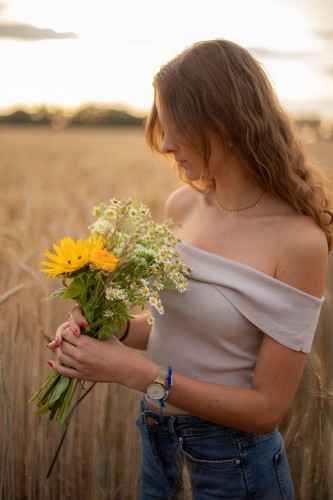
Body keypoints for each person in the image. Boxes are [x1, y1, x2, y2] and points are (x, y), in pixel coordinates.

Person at [46, 39, 333, 499]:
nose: (164, 143)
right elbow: (175, 326)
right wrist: (114, 331)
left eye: (176, 125)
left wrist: (134, 373)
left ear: (224, 121)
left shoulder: (299, 242)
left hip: (233, 464)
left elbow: (266, 410)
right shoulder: (183, 205)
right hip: (157, 443)